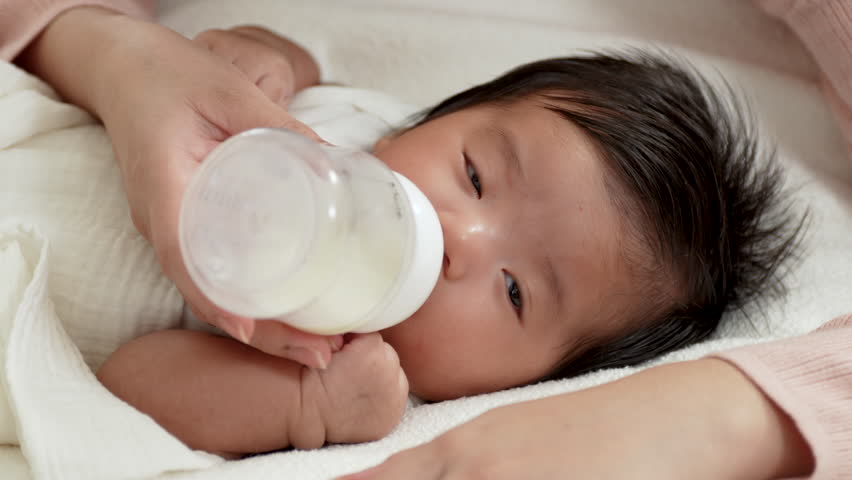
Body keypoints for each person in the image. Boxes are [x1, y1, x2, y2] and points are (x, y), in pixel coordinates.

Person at [1, 0, 849, 478]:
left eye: (516, 293)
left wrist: (305, 410)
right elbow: (295, 62)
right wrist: (267, 54)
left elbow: (127, 381)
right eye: (476, 174)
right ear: (443, 113)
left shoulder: (344, 368)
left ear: (530, 382)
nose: (459, 237)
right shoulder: (353, 129)